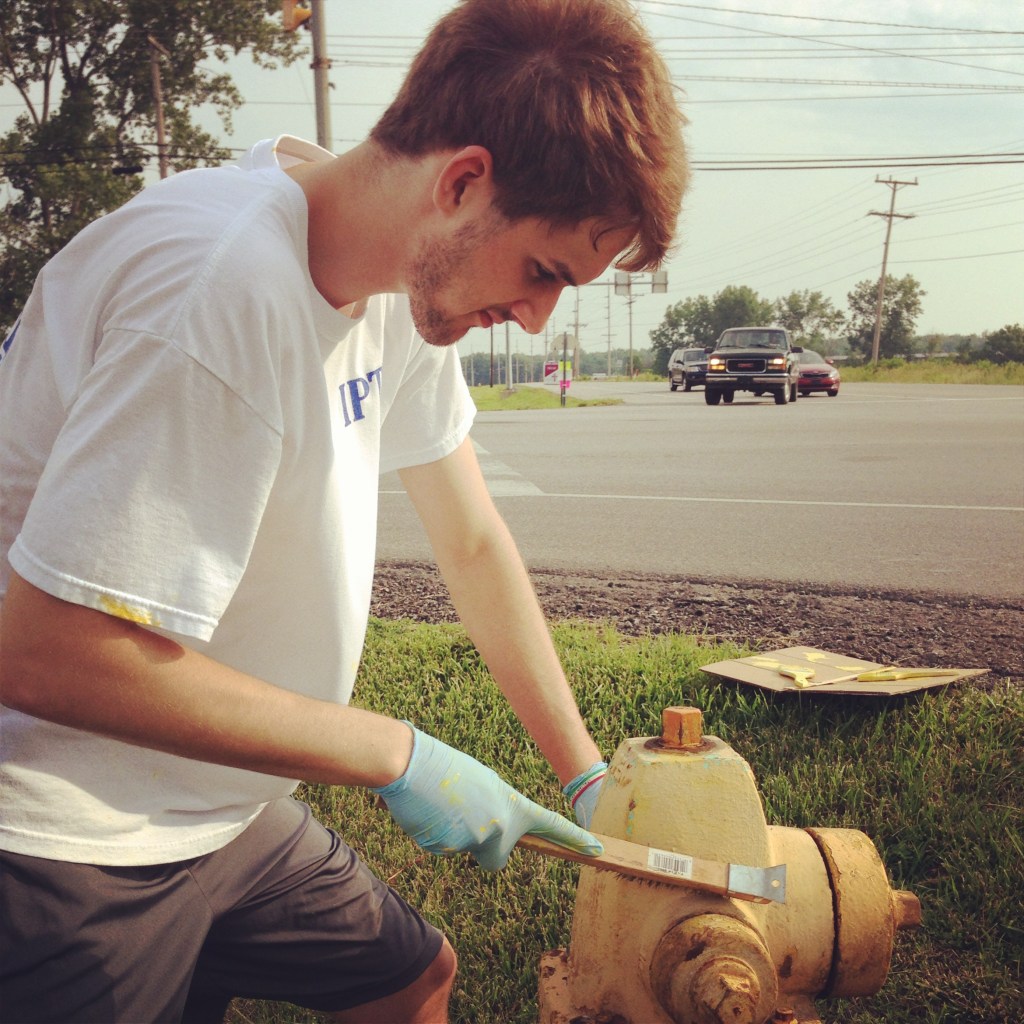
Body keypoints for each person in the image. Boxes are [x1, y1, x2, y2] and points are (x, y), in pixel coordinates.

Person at [0, 0, 688, 1020]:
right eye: (543, 272)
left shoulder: (401, 284)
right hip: (69, 831)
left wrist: (585, 774)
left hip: (219, 799)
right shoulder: (216, 292)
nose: (538, 315)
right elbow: (47, 650)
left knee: (410, 977)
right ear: (462, 181)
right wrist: (395, 753)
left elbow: (469, 537)